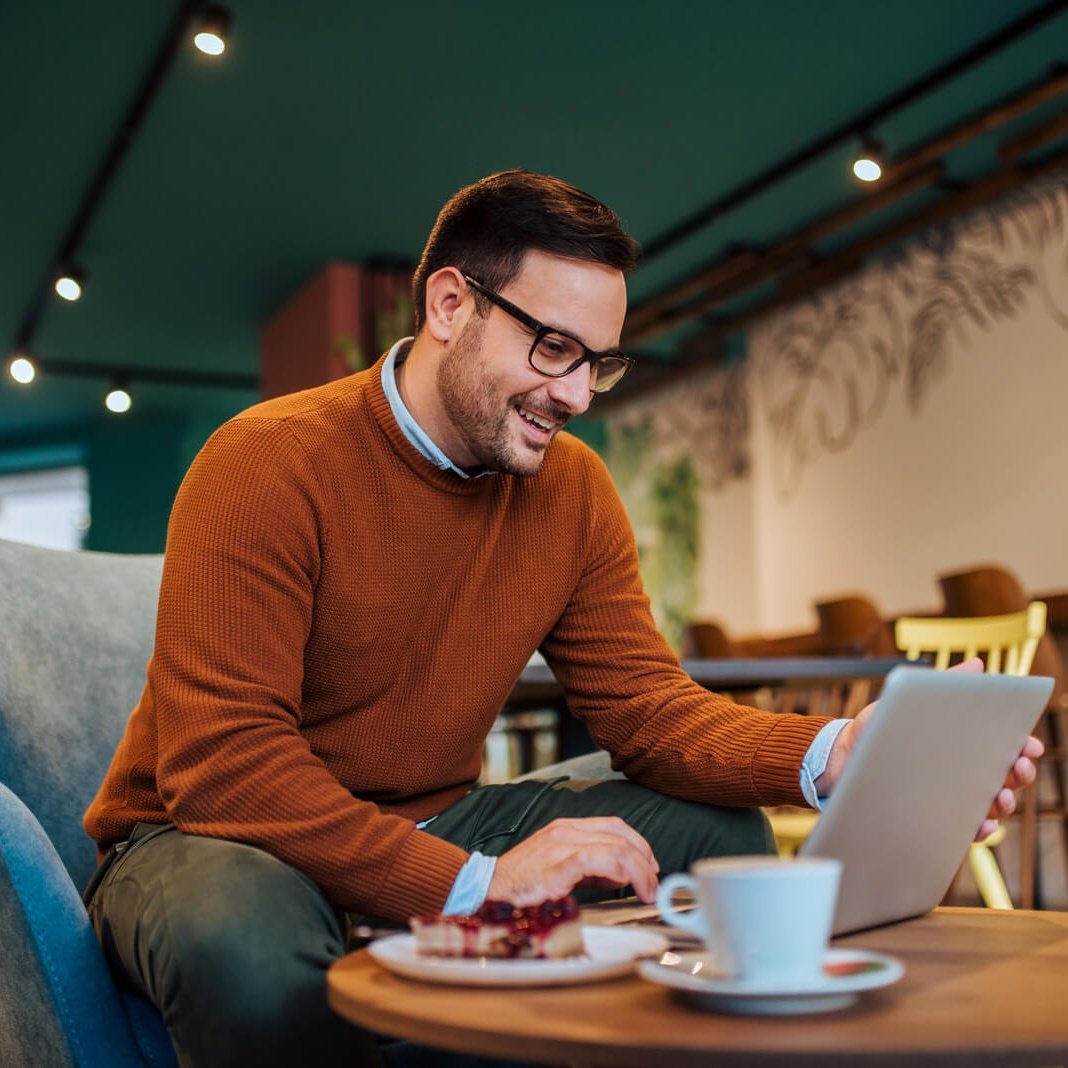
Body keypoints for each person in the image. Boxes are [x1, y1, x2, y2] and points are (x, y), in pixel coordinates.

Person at [83, 170, 1040, 1068]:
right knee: (244, 948)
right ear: (450, 305)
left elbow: (647, 711)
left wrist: (828, 754)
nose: (577, 396)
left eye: (601, 364)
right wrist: (478, 885)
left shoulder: (570, 490)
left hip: (438, 817)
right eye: (554, 350)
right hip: (201, 839)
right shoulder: (264, 463)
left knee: (719, 839)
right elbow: (226, 769)